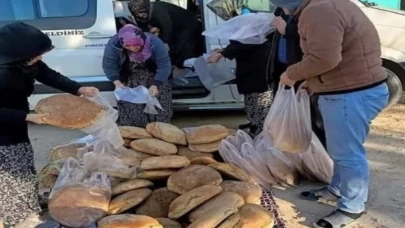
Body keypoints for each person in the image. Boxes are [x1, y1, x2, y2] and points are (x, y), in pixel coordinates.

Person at [276, 0, 389, 226]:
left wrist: (292, 74)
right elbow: (338, 53)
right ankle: (337, 188)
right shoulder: (326, 4)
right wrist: (313, 82)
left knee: (347, 153)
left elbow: (324, 58)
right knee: (341, 150)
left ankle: (352, 207)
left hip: (351, 94)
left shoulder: (318, 10)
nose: (283, 13)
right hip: (351, 89)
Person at [0, 22, 98, 227]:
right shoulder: (3, 72)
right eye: (37, 55)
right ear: (19, 54)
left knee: (23, 160)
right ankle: (17, 215)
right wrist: (27, 117)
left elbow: (49, 75)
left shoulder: (28, 63)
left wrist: (78, 88)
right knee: (9, 170)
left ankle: (27, 203)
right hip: (5, 123)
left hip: (16, 119)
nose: (40, 58)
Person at [207, 10, 273, 137]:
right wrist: (223, 50)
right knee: (251, 102)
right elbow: (240, 45)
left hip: (258, 77)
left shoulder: (254, 37)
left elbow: (241, 46)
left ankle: (259, 130)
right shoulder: (255, 34)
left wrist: (222, 54)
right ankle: (254, 123)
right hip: (251, 76)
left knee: (259, 104)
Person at [103, 24, 172, 127]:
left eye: (136, 45)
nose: (132, 48)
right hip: (130, 75)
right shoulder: (114, 44)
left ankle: (159, 129)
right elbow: (109, 65)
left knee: (159, 106)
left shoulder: (154, 43)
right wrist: (117, 82)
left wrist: (156, 84)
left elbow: (164, 65)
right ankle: (138, 133)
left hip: (155, 75)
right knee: (132, 106)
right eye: (127, 46)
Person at [128, 0, 204, 68]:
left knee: (180, 47)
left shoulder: (158, 9)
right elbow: (143, 29)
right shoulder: (140, 14)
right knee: (169, 45)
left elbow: (167, 27)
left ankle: (188, 66)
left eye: (140, 12)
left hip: (187, 24)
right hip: (174, 27)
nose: (139, 15)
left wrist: (164, 43)